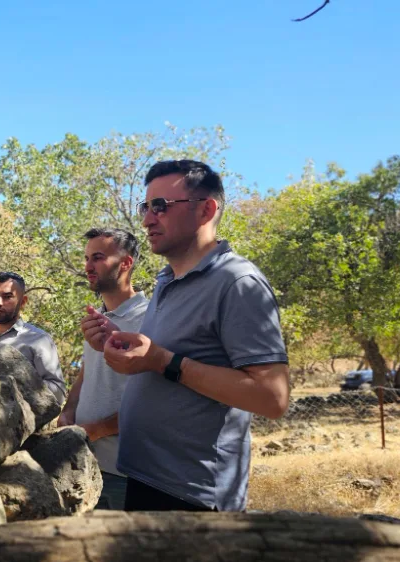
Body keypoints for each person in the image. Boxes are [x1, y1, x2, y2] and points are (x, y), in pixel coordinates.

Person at [102, 159, 290, 512]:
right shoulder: (166, 280)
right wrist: (120, 340)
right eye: (146, 206)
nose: (146, 219)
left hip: (192, 497)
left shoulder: (238, 282)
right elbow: (162, 356)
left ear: (206, 210)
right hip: (144, 477)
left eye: (161, 206)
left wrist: (162, 361)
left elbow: (272, 398)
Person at [58, 227, 149, 510]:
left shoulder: (152, 319)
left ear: (125, 263)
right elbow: (88, 372)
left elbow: (155, 398)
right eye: (86, 258)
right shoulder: (97, 318)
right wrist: (68, 411)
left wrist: (96, 429)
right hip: (85, 466)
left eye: (97, 257)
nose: (87, 266)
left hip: (127, 474)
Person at [0, 271, 66, 402]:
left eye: (7, 297)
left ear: (23, 302)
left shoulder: (38, 339)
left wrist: (15, 388)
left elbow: (58, 392)